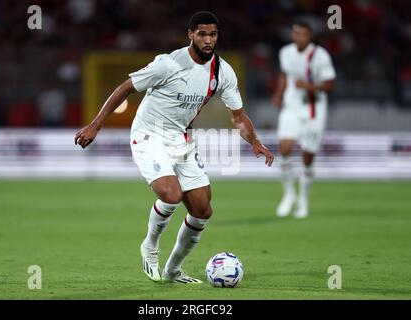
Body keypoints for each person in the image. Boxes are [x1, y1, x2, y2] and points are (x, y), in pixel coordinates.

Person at [75, 11, 274, 283]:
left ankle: (173, 269)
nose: (207, 40)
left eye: (212, 34)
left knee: (202, 209)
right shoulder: (168, 64)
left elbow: (238, 116)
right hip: (149, 133)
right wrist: (96, 125)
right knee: (170, 194)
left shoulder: (222, 72)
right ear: (190, 35)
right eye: (202, 34)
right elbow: (125, 88)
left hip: (181, 138)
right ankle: (150, 245)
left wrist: (255, 142)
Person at [271, 21, 336, 219]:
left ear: (309, 36)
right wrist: (279, 94)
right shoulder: (286, 52)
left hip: (313, 110)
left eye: (303, 34)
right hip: (292, 107)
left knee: (307, 157)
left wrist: (308, 86)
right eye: (296, 33)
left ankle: (303, 200)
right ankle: (289, 195)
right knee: (285, 148)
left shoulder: (320, 55)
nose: (299, 37)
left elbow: (330, 85)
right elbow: (284, 75)